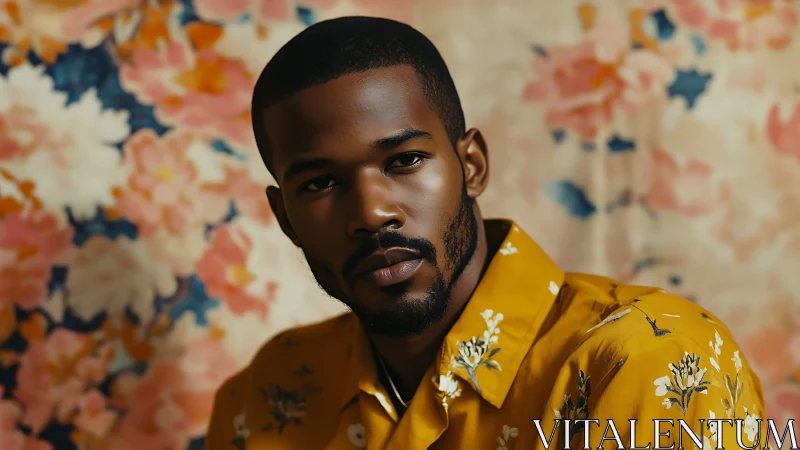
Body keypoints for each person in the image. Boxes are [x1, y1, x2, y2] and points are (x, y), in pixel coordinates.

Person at [207, 16, 768, 450]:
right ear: (285, 219)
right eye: (321, 183)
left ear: (471, 165)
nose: (372, 213)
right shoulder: (266, 395)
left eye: (404, 161)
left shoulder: (649, 359)